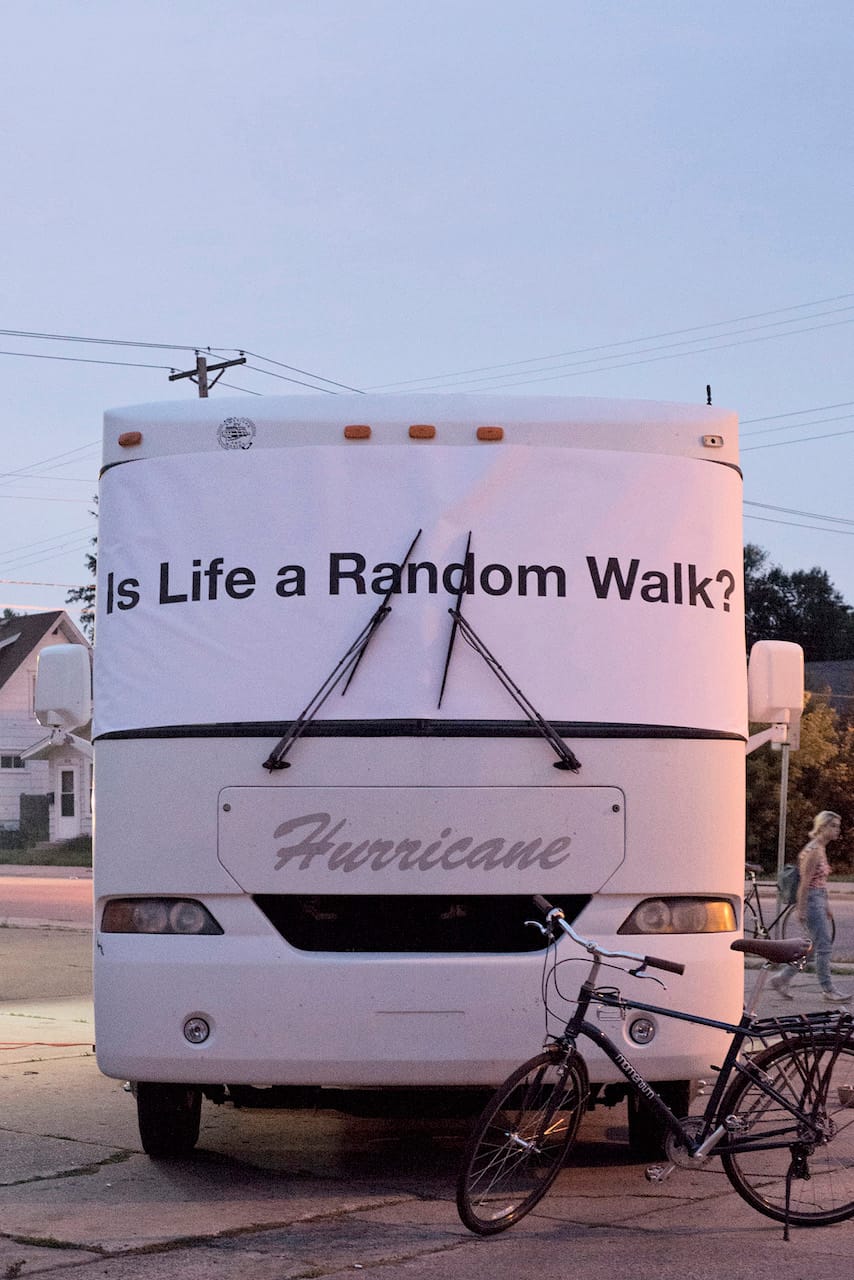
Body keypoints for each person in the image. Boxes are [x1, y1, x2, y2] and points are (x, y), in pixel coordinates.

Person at [770, 811, 850, 1003]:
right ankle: (828, 990)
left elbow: (819, 882)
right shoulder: (813, 850)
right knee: (823, 947)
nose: (837, 830)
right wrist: (802, 908)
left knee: (811, 949)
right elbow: (805, 883)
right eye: (834, 826)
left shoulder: (821, 848)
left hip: (819, 900)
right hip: (812, 901)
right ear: (823, 827)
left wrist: (827, 905)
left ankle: (782, 978)